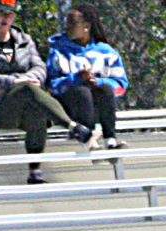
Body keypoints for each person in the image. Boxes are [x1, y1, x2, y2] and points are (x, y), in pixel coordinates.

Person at [0, 0, 73, 184]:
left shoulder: (24, 40)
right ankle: (73, 127)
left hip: (23, 101)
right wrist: (15, 82)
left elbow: (39, 68)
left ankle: (35, 171)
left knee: (34, 106)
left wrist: (11, 85)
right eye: (0, 12)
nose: (5, 18)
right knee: (27, 89)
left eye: (10, 13)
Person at [45, 3, 125, 153]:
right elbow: (51, 85)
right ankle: (89, 140)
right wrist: (76, 78)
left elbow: (121, 86)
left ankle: (111, 140)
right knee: (81, 91)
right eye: (66, 23)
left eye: (72, 23)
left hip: (97, 109)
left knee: (105, 89)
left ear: (86, 26)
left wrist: (98, 81)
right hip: (69, 109)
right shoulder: (58, 50)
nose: (67, 27)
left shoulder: (106, 52)